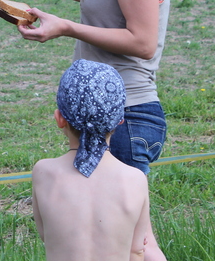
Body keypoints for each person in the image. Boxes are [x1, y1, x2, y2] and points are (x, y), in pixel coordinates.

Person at [0, 0, 178, 261]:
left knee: (129, 249)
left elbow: (143, 41)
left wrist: (64, 28)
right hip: (120, 114)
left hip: (125, 116)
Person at [32, 59, 151, 261]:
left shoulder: (44, 172)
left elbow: (46, 235)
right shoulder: (135, 178)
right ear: (119, 120)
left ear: (60, 118)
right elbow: (137, 250)